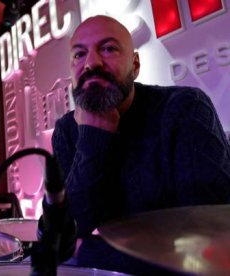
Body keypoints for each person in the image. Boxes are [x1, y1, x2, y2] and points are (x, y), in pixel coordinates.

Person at [51, 15, 230, 275]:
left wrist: (84, 250)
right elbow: (61, 234)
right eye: (79, 55)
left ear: (135, 65)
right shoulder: (67, 131)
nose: (91, 63)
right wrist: (92, 139)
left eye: (109, 49)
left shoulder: (185, 108)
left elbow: (210, 245)